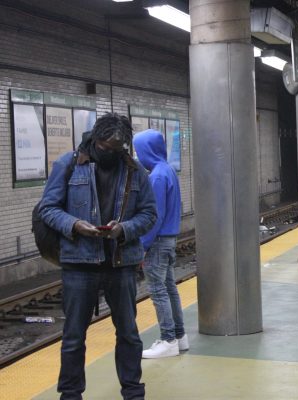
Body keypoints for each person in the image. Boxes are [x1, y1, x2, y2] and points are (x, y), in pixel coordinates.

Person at [39, 113, 157, 400]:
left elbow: (149, 213)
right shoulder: (68, 165)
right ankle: (70, 395)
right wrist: (75, 225)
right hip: (79, 264)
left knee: (128, 334)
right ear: (94, 139)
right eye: (105, 148)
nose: (110, 154)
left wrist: (124, 229)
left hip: (121, 264)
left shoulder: (134, 170)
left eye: (117, 150)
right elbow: (48, 209)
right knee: (74, 337)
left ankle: (133, 393)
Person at [133, 129, 188, 359]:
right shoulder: (168, 170)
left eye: (138, 150)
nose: (137, 156)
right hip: (169, 238)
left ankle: (168, 340)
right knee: (169, 288)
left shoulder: (156, 176)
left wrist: (142, 245)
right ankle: (179, 336)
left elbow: (154, 216)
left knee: (158, 291)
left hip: (157, 241)